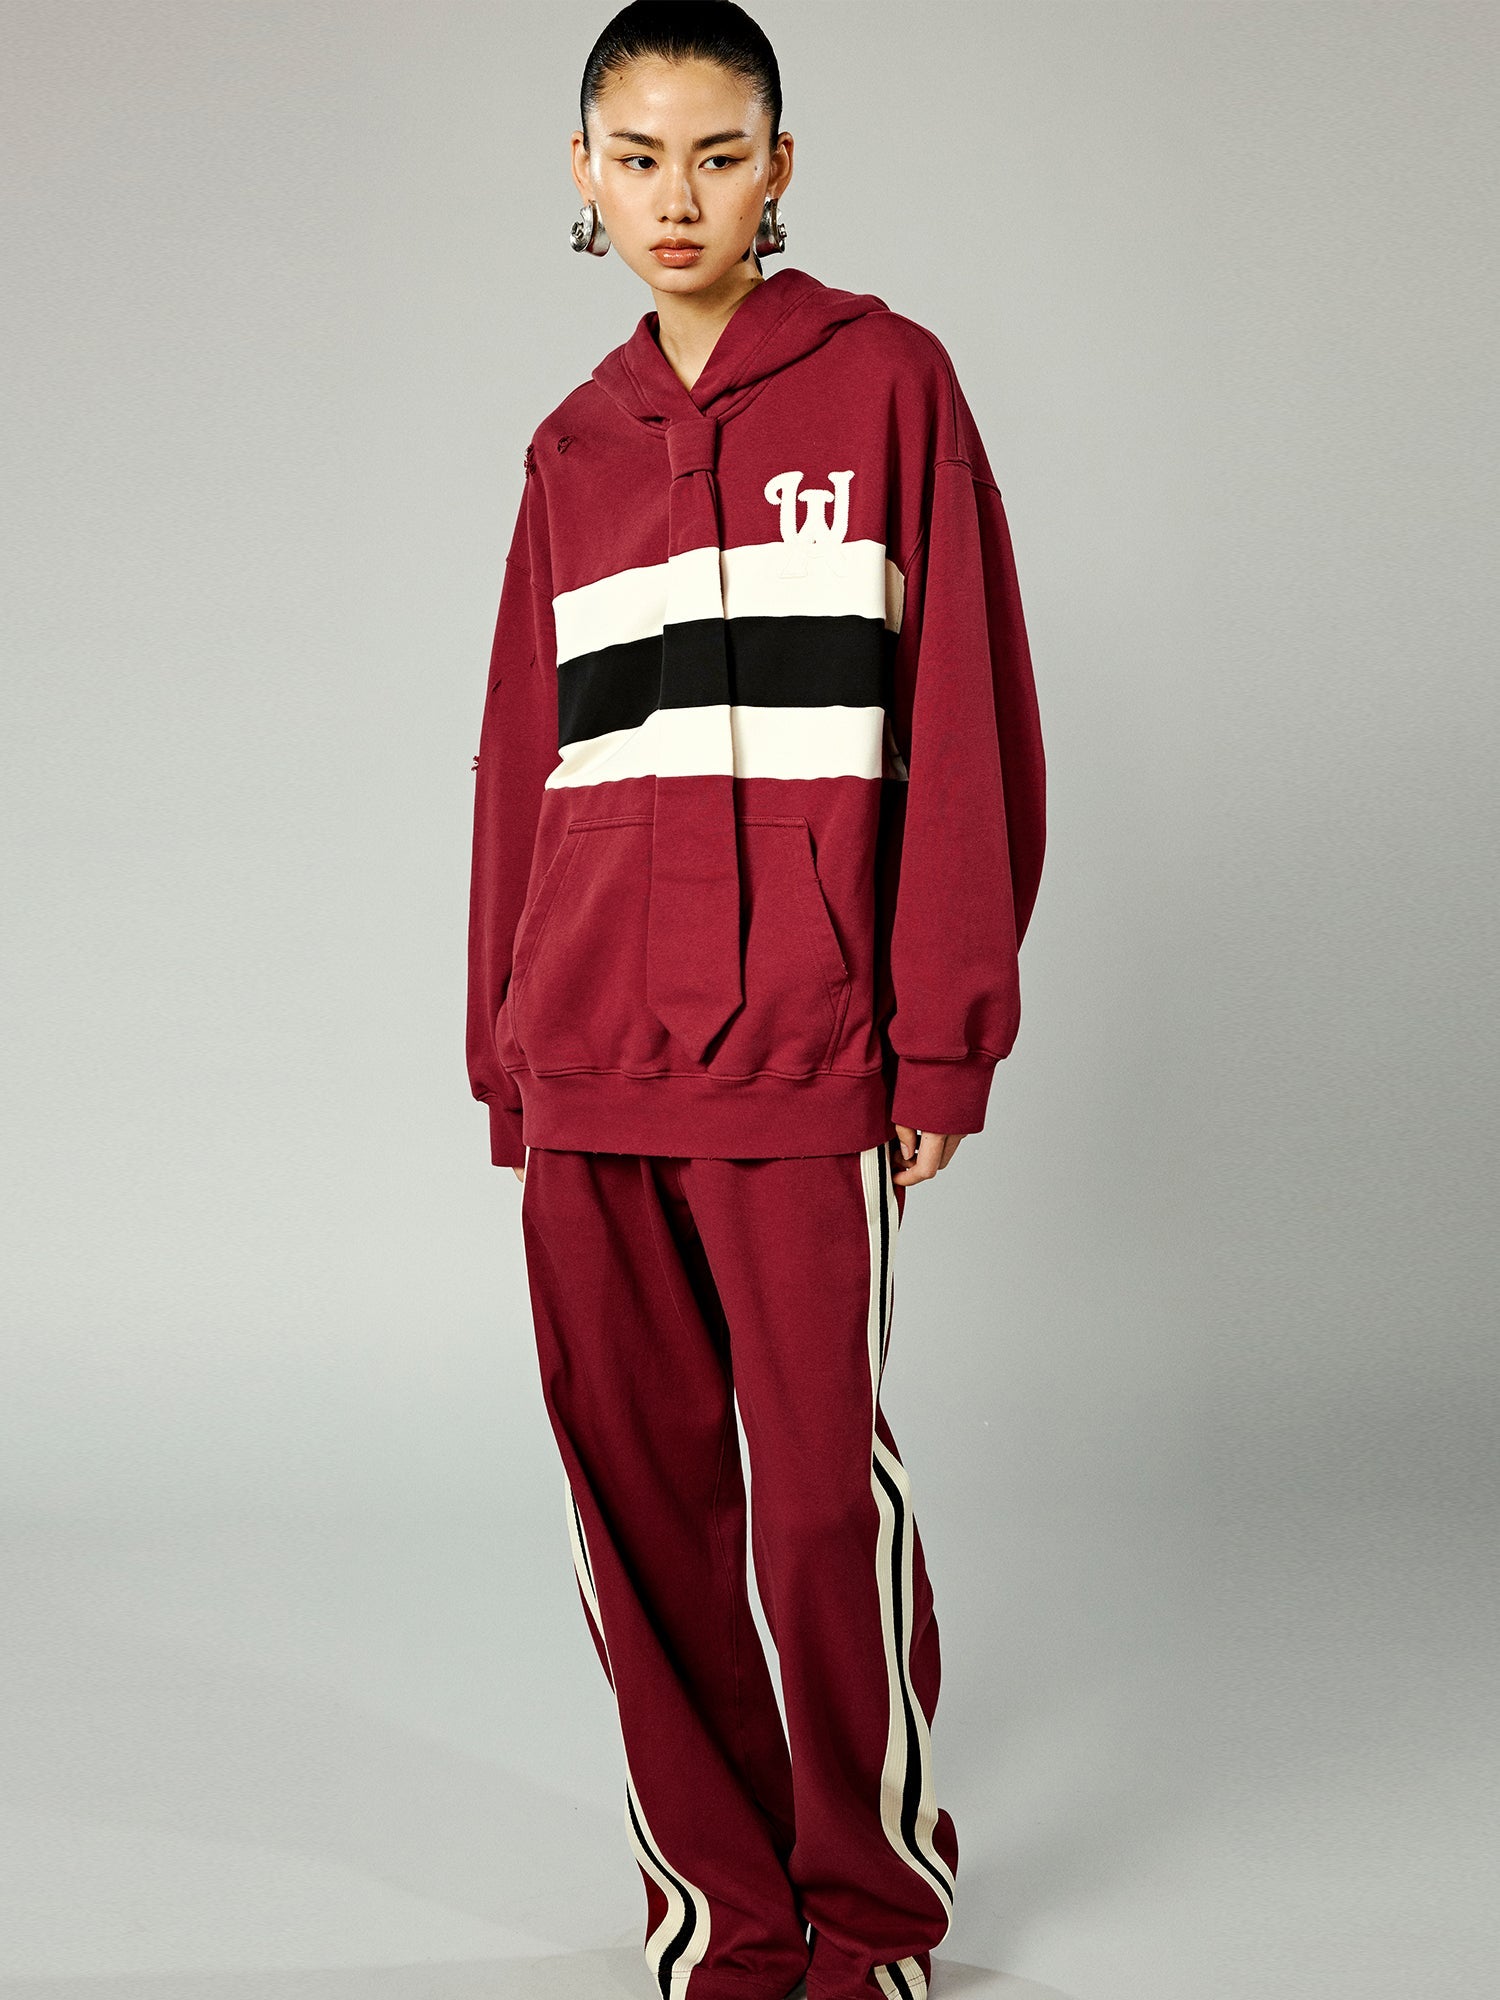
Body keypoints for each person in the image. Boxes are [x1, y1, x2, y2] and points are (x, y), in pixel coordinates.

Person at [465, 5, 1046, 1996]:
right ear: (583, 173)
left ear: (780, 168)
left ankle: (868, 1909)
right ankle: (720, 1910)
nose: (677, 199)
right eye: (637, 158)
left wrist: (942, 1026)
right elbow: (520, 769)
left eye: (718, 156)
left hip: (805, 1054)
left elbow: (967, 722)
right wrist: (503, 1057)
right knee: (635, 1512)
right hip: (585, 1058)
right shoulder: (570, 448)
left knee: (811, 1507)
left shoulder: (891, 386)